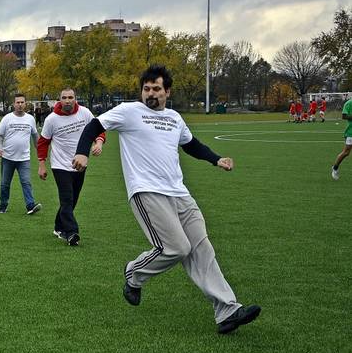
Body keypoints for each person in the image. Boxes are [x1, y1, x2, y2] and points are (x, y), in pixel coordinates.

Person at [72, 64, 261, 335]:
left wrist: (216, 159)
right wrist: (83, 153)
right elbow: (94, 125)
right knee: (176, 248)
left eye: (156, 89)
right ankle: (133, 274)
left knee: (201, 248)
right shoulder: (129, 111)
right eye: (146, 89)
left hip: (180, 193)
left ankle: (227, 310)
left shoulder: (174, 118)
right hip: (146, 191)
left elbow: (191, 144)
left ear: (167, 91)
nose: (151, 93)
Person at [37, 88, 105, 246]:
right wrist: (42, 164)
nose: (68, 100)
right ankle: (72, 232)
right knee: (67, 198)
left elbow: (99, 129)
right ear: (59, 100)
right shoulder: (51, 119)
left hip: (80, 164)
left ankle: (58, 226)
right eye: (64, 97)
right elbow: (43, 143)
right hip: (60, 165)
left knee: (73, 199)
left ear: (75, 98)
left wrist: (99, 142)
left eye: (71, 97)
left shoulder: (85, 113)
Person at [0, 93, 42, 215]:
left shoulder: (30, 119)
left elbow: (35, 137)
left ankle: (30, 205)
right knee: (5, 184)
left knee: (26, 182)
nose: (20, 104)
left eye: (22, 102)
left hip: (24, 159)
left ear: (25, 104)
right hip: (7, 158)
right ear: (14, 104)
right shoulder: (7, 118)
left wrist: (41, 152)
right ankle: (3, 205)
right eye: (18, 102)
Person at [330, 96, 352, 180]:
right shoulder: (349, 103)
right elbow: (344, 116)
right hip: (350, 132)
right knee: (346, 152)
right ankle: (335, 168)